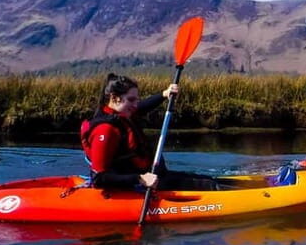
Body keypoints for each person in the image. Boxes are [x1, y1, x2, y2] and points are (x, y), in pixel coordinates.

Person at [80, 73, 218, 191]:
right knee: (209, 185)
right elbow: (99, 178)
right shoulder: (105, 130)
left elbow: (142, 107)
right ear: (114, 98)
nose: (135, 105)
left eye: (136, 100)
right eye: (131, 100)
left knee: (209, 180)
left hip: (151, 177)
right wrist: (139, 179)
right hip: (134, 186)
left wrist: (164, 94)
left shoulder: (123, 114)